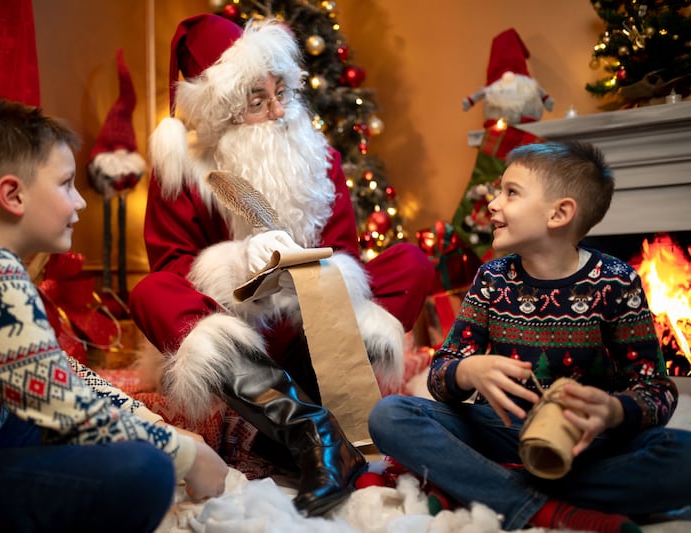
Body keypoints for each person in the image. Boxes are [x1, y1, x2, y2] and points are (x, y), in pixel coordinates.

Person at [128, 14, 434, 516]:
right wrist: (235, 268)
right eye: (257, 100)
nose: (277, 110)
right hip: (242, 338)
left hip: (316, 329)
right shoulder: (183, 170)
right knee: (151, 291)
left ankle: (320, 407)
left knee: (411, 262)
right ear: (222, 110)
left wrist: (309, 276)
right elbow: (172, 261)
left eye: (282, 92)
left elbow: (345, 254)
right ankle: (307, 429)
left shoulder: (319, 159)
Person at [0, 96, 228, 533]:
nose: (80, 203)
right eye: (67, 184)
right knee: (145, 470)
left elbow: (57, 380)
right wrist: (184, 453)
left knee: (84, 435)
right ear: (12, 194)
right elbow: (65, 407)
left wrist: (155, 429)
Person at [369, 141, 691, 532]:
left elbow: (657, 390)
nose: (492, 204)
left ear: (559, 213)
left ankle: (487, 487)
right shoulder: (492, 278)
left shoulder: (616, 281)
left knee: (683, 455)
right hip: (503, 429)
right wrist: (468, 371)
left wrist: (613, 411)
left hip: (588, 444)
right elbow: (441, 373)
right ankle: (542, 506)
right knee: (390, 415)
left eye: (511, 192)